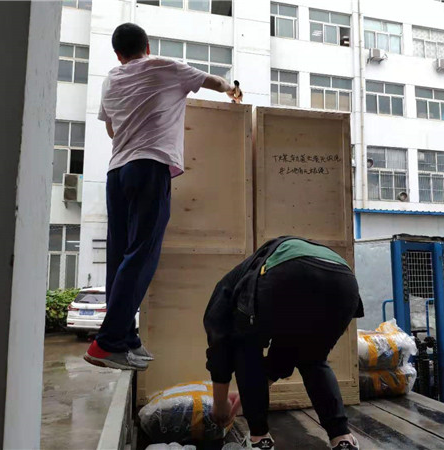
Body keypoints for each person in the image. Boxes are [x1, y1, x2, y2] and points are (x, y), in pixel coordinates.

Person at [84, 23, 241, 371]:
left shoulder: (111, 79)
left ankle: (126, 338)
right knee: (142, 255)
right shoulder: (166, 67)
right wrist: (232, 89)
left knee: (120, 258)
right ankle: (107, 343)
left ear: (118, 54)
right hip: (149, 167)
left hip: (117, 172)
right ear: (147, 47)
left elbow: (111, 129)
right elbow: (215, 83)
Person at [203, 237, 364, 450]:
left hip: (289, 273)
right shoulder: (255, 277)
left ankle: (260, 439)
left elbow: (221, 347)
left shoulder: (225, 291)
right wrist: (248, 395)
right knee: (313, 359)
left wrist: (220, 403)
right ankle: (342, 439)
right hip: (344, 282)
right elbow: (285, 356)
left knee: (247, 350)